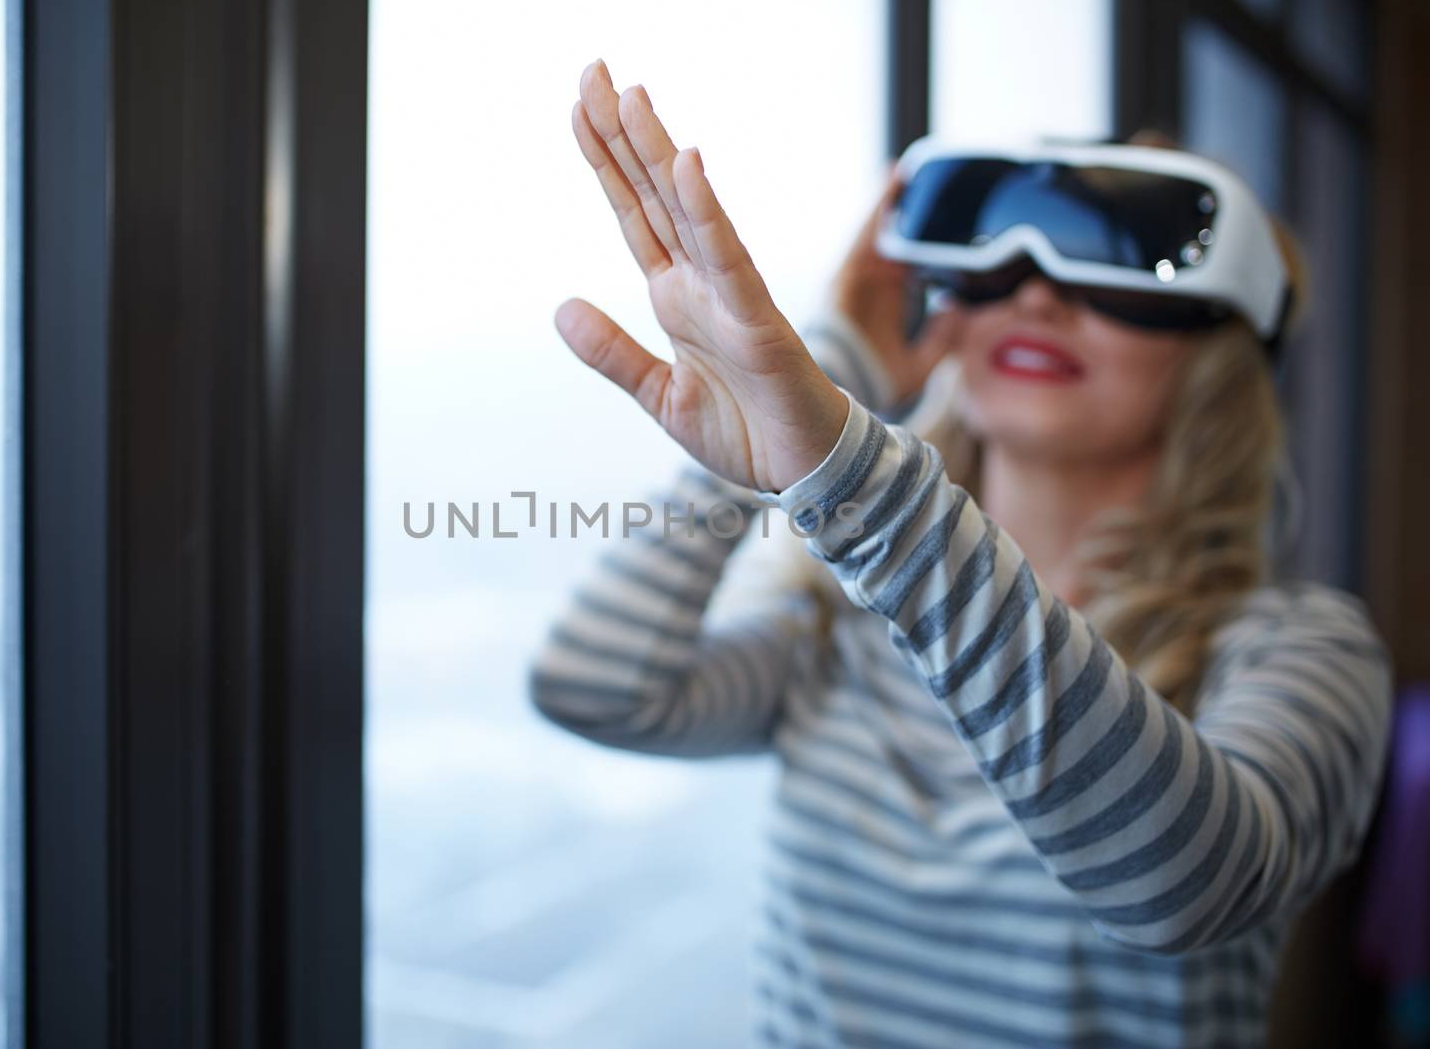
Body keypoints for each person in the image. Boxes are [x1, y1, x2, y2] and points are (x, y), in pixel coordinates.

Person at [529, 58, 1393, 1048]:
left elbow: (1183, 887)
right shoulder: (841, 628)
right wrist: (806, 387)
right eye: (992, 257)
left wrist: (846, 467)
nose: (1035, 295)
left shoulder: (1298, 650)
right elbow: (593, 683)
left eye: (1109, 254)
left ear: (1218, 351)